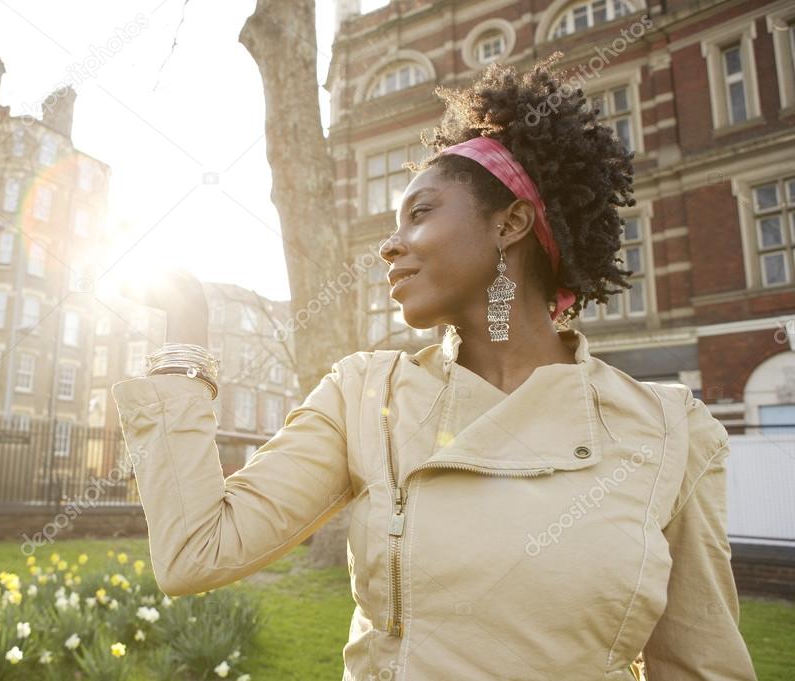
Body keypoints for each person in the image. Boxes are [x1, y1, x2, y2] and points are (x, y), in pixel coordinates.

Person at [111, 55, 757, 681]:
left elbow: (702, 664)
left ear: (511, 223)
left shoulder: (671, 430)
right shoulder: (364, 394)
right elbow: (197, 551)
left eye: (420, 213)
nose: (390, 245)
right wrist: (186, 337)